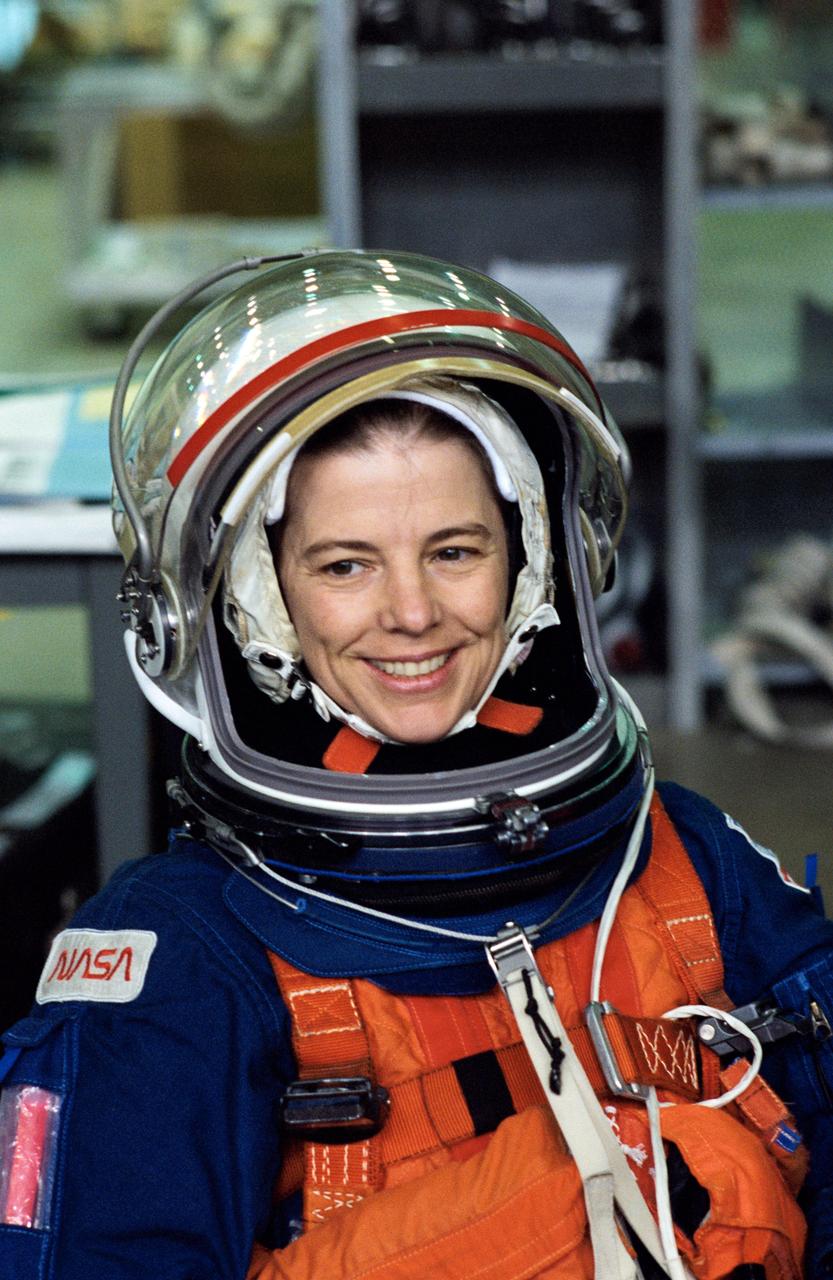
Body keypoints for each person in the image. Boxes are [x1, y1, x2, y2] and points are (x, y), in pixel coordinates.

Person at [0, 249, 832, 1280]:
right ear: (261, 599)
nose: (410, 613)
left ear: (535, 566)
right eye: (345, 564)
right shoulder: (184, 954)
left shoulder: (680, 861)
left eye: (454, 549)